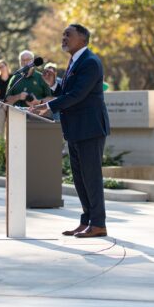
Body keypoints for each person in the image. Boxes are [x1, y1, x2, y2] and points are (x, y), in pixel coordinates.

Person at [31, 24, 110, 238]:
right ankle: (87, 221)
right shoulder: (75, 60)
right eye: (63, 34)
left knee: (91, 177)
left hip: (90, 128)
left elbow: (77, 95)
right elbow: (67, 92)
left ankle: (98, 223)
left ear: (83, 39)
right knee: (80, 178)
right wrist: (54, 86)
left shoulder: (90, 62)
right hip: (76, 129)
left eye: (69, 34)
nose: (64, 37)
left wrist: (48, 107)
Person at [0, 59, 11, 135]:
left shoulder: (12, 77)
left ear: (7, 66)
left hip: (11, 103)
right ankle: (0, 144)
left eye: (3, 66)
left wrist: (7, 103)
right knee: (0, 127)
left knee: (11, 126)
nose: (1, 68)